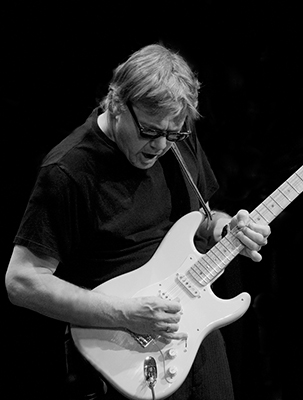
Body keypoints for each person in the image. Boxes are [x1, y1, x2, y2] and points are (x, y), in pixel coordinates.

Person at [5, 44, 270, 399]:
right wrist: (125, 313)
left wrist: (225, 229)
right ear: (116, 103)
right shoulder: (69, 170)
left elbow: (201, 219)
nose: (161, 145)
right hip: (123, 354)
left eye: (173, 133)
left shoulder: (175, 138)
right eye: (149, 132)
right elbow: (22, 281)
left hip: (196, 334)